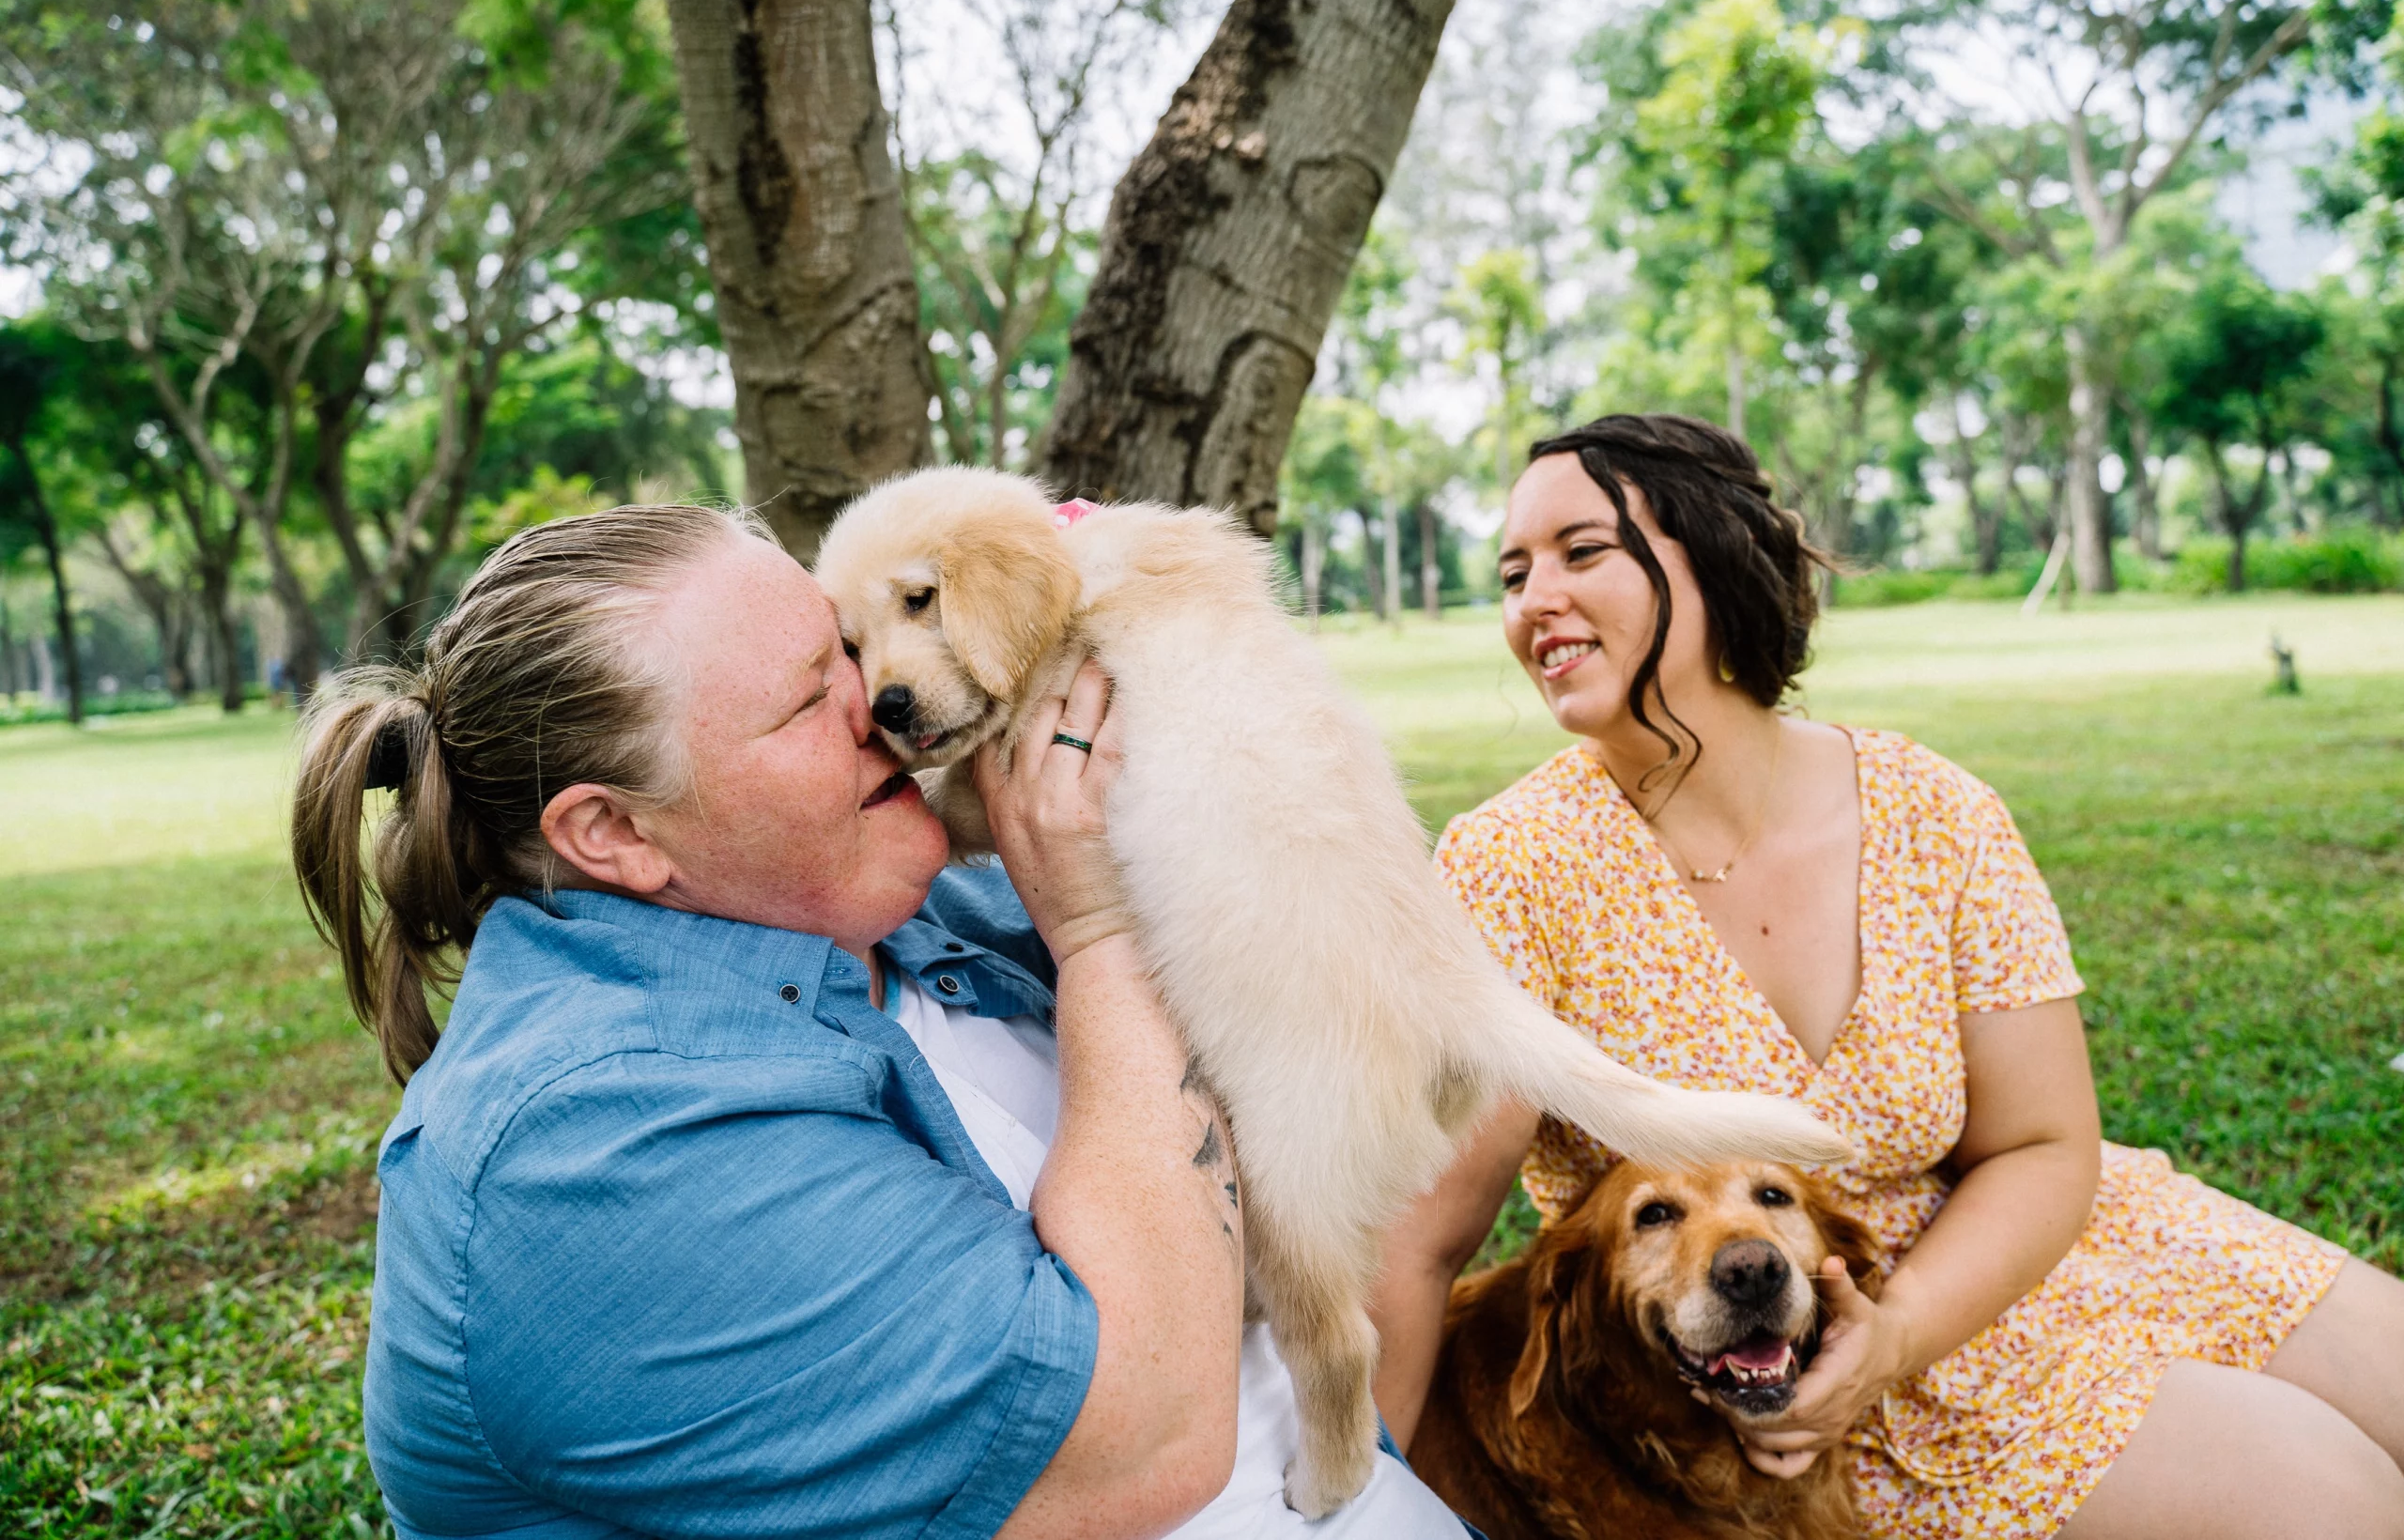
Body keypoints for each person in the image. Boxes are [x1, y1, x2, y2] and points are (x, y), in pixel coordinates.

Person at [292, 502, 1466, 1540]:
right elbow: (1144, 1442)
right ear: (616, 835)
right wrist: (1104, 934)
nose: (879, 694)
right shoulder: (586, 1151)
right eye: (809, 694)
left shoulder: (914, 903)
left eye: (845, 642)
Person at [1368, 415, 2404, 1540]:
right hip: (1793, 1366)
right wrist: (1359, 1505)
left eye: (1582, 552)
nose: (1532, 602)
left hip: (2039, 1241)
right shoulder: (1510, 867)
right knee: (2343, 1504)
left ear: (1714, 553)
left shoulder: (1932, 808)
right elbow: (1418, 1241)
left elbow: (2045, 1143)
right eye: (1513, 573)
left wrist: (1901, 1326)